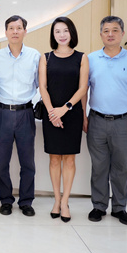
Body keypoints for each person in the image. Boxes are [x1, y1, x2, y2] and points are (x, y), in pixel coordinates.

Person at [84, 15, 127, 225]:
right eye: (106, 31)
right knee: (99, 166)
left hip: (123, 121)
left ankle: (120, 208)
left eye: (114, 30)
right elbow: (84, 90)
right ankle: (99, 206)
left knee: (121, 167)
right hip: (96, 120)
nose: (110, 34)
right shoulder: (91, 59)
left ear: (122, 33)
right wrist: (84, 116)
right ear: (100, 34)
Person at [38, 17, 88, 223]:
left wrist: (64, 109)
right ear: (53, 35)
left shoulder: (82, 58)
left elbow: (83, 88)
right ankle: (56, 201)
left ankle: (65, 201)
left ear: (72, 32)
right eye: (57, 31)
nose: (62, 35)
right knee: (54, 159)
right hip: (51, 114)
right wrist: (52, 112)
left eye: (65, 30)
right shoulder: (46, 57)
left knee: (69, 159)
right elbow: (43, 87)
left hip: (72, 114)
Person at [0, 15, 41, 217]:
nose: (15, 31)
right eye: (11, 28)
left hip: (25, 113)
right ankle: (6, 200)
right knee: (2, 162)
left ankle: (26, 201)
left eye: (19, 28)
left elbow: (40, 84)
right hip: (2, 113)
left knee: (27, 162)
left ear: (25, 31)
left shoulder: (35, 56)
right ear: (6, 32)